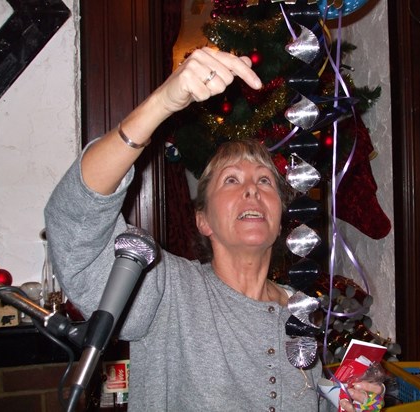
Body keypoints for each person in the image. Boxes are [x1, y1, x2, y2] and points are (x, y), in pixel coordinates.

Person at [44, 47, 383, 411]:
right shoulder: (167, 289)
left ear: (282, 215)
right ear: (202, 219)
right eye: (232, 180)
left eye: (266, 182)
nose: (252, 188)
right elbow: (73, 224)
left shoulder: (300, 309)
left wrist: (343, 401)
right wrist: (162, 102)